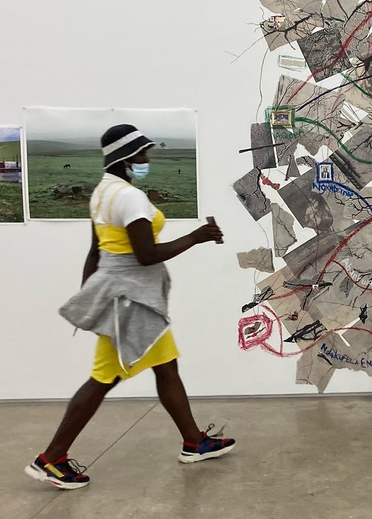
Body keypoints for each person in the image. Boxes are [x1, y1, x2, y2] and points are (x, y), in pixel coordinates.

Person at [26, 124, 235, 490]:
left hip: (126, 296)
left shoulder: (102, 193)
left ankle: (194, 442)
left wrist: (89, 295)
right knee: (103, 379)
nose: (147, 159)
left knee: (166, 368)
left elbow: (96, 252)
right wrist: (196, 237)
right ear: (125, 157)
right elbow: (146, 255)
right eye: (142, 154)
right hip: (132, 303)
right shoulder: (129, 198)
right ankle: (50, 459)